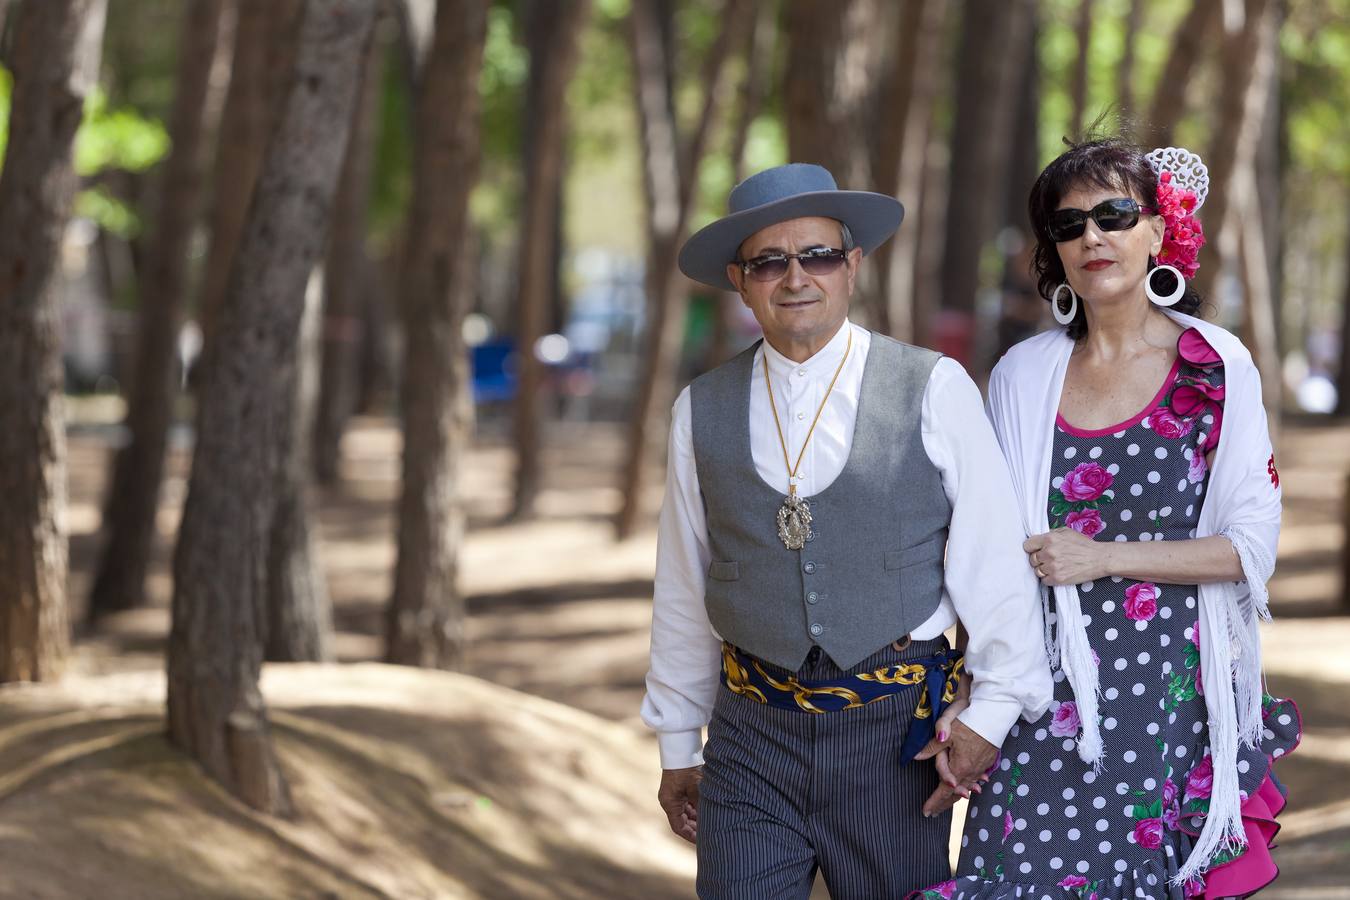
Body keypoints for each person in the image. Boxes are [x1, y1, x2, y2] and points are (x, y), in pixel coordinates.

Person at [640, 162, 1054, 899]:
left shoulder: (932, 387)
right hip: (750, 738)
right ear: (740, 279)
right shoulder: (699, 409)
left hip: (894, 738)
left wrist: (990, 713)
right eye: (769, 260)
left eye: (818, 255)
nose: (795, 276)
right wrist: (678, 741)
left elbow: (992, 564)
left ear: (852, 265)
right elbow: (683, 583)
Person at [915, 140, 1300, 899]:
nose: (1092, 236)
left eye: (1114, 214)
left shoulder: (1216, 366)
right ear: (1054, 252)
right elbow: (988, 548)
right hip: (1042, 687)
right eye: (1069, 225)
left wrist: (1103, 556)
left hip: (1170, 697)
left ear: (1158, 230)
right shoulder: (1023, 376)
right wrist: (975, 690)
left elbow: (1252, 548)